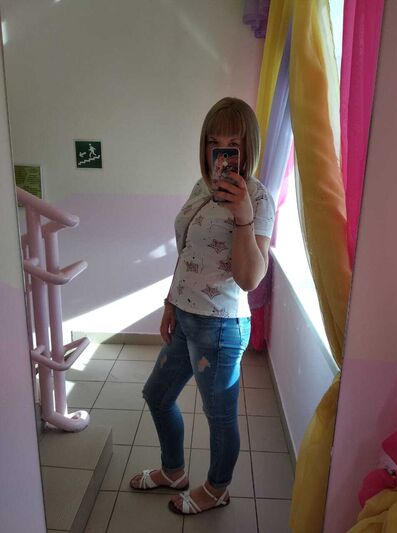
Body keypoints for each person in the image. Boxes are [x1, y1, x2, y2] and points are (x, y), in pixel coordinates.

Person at [130, 97, 275, 515]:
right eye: (214, 142)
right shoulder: (202, 187)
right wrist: (170, 302)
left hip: (221, 327)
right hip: (185, 315)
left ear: (248, 147)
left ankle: (217, 488)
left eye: (232, 143)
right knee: (157, 395)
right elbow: (188, 250)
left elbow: (250, 279)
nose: (221, 153)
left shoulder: (258, 199)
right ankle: (173, 470)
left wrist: (243, 215)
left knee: (219, 416)